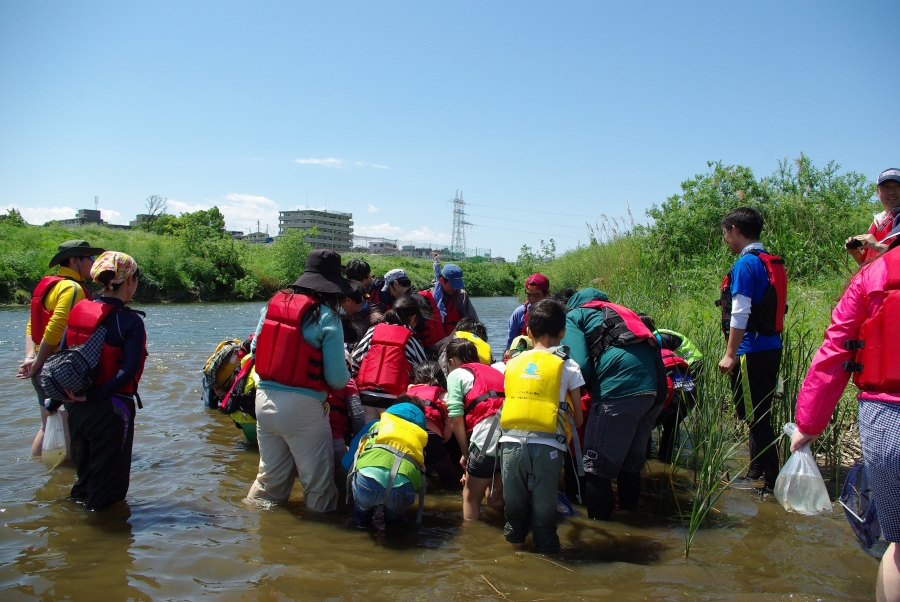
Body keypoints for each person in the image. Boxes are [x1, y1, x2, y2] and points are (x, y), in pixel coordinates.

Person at [791, 217, 900, 602]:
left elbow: (836, 351)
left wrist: (808, 424)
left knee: (899, 545)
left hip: (887, 420)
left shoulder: (873, 275)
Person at [246, 249, 354, 513]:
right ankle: (318, 539)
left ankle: (252, 527)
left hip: (263, 401)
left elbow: (254, 352)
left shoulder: (271, 306)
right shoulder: (327, 318)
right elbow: (337, 380)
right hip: (303, 409)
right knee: (318, 484)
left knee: (269, 479)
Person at [561, 288, 666, 520]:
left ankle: (602, 533)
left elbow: (579, 365)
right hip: (655, 390)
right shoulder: (624, 312)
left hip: (619, 389)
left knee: (596, 469)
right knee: (630, 465)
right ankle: (631, 519)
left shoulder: (576, 315)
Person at [59, 251, 147, 511]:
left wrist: (63, 399)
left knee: (85, 476)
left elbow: (63, 356)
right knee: (109, 485)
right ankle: (101, 535)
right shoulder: (130, 321)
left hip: (76, 407)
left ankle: (74, 528)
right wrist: (95, 395)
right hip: (111, 409)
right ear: (129, 281)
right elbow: (128, 371)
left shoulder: (79, 310)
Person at [500, 299, 584, 553]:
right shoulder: (568, 365)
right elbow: (578, 418)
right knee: (545, 520)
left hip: (509, 445)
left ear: (527, 331)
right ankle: (549, 574)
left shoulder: (512, 363)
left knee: (514, 517)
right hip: (548, 448)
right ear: (562, 333)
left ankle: (515, 562)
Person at [717, 207, 787, 493]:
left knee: (757, 419)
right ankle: (756, 470)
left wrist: (730, 353)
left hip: (750, 351)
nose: (726, 239)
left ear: (735, 229)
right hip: (770, 348)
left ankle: (772, 482)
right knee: (756, 415)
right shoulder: (768, 260)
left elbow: (740, 312)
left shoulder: (746, 264)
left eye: (725, 233)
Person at [18, 239, 105, 459]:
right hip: (60, 369)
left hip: (40, 364)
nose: (94, 263)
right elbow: (56, 328)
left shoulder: (50, 285)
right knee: (67, 427)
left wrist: (32, 358)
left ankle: (43, 475)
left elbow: (33, 324)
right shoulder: (72, 288)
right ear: (75, 260)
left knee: (47, 425)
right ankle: (65, 484)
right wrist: (38, 363)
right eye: (90, 259)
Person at [445, 338, 506, 520]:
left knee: (470, 497)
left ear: (451, 362)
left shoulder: (456, 374)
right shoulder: (496, 369)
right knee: (494, 497)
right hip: (512, 439)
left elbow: (456, 418)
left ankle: (470, 542)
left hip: (486, 441)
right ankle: (500, 530)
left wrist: (465, 454)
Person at [344, 397, 429, 527]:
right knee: (395, 528)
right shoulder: (419, 436)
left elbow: (347, 462)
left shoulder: (375, 425)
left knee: (360, 521)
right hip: (403, 486)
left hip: (367, 479)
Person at [351, 295, 428, 417]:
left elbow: (354, 362)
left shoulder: (373, 330)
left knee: (364, 435)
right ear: (413, 318)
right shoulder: (412, 340)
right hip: (395, 402)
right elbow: (425, 372)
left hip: (365, 398)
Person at [639, 314, 701, 463]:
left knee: (645, 425)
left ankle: (645, 458)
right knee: (671, 424)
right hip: (687, 383)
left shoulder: (656, 341)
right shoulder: (660, 339)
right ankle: (666, 459)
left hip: (685, 370)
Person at [407, 361, 457, 488]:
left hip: (406, 437)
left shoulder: (409, 392)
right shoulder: (444, 396)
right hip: (432, 439)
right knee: (450, 480)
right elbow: (447, 433)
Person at [846, 168, 900, 267]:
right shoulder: (878, 220)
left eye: (897, 186)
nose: (891, 192)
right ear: (878, 192)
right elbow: (864, 263)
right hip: (874, 280)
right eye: (886, 187)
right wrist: (854, 252)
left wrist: (877, 246)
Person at [429, 255, 479, 336]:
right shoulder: (429, 296)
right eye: (452, 285)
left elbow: (473, 322)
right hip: (435, 344)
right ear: (441, 280)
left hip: (455, 343)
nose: (455, 289)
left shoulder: (461, 295)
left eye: (457, 285)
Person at [506, 273, 551, 349]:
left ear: (547, 294)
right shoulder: (519, 313)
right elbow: (511, 342)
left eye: (536, 295)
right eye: (529, 295)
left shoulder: (556, 314)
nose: (532, 300)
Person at [340, 280, 385, 347]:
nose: (340, 306)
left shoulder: (377, 321)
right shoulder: (347, 315)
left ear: (348, 300)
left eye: (340, 302)